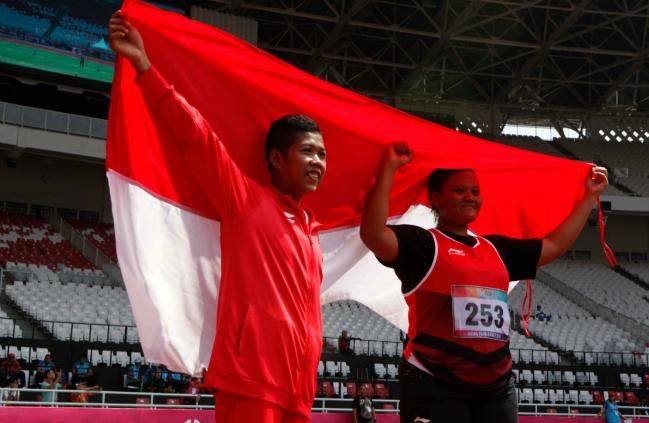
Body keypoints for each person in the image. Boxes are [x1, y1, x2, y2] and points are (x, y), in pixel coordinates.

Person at [109, 11, 327, 423]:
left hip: (300, 389)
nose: (317, 161)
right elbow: (196, 138)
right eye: (307, 152)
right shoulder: (245, 200)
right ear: (277, 159)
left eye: (322, 154)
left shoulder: (312, 229)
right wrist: (144, 66)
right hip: (250, 379)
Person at [359, 142, 608, 423]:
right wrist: (389, 168)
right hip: (433, 380)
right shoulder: (423, 244)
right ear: (436, 198)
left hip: (496, 388)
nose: (470, 197)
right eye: (460, 190)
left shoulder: (496, 249)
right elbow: (374, 235)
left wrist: (589, 197)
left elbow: (553, 246)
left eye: (475, 191)